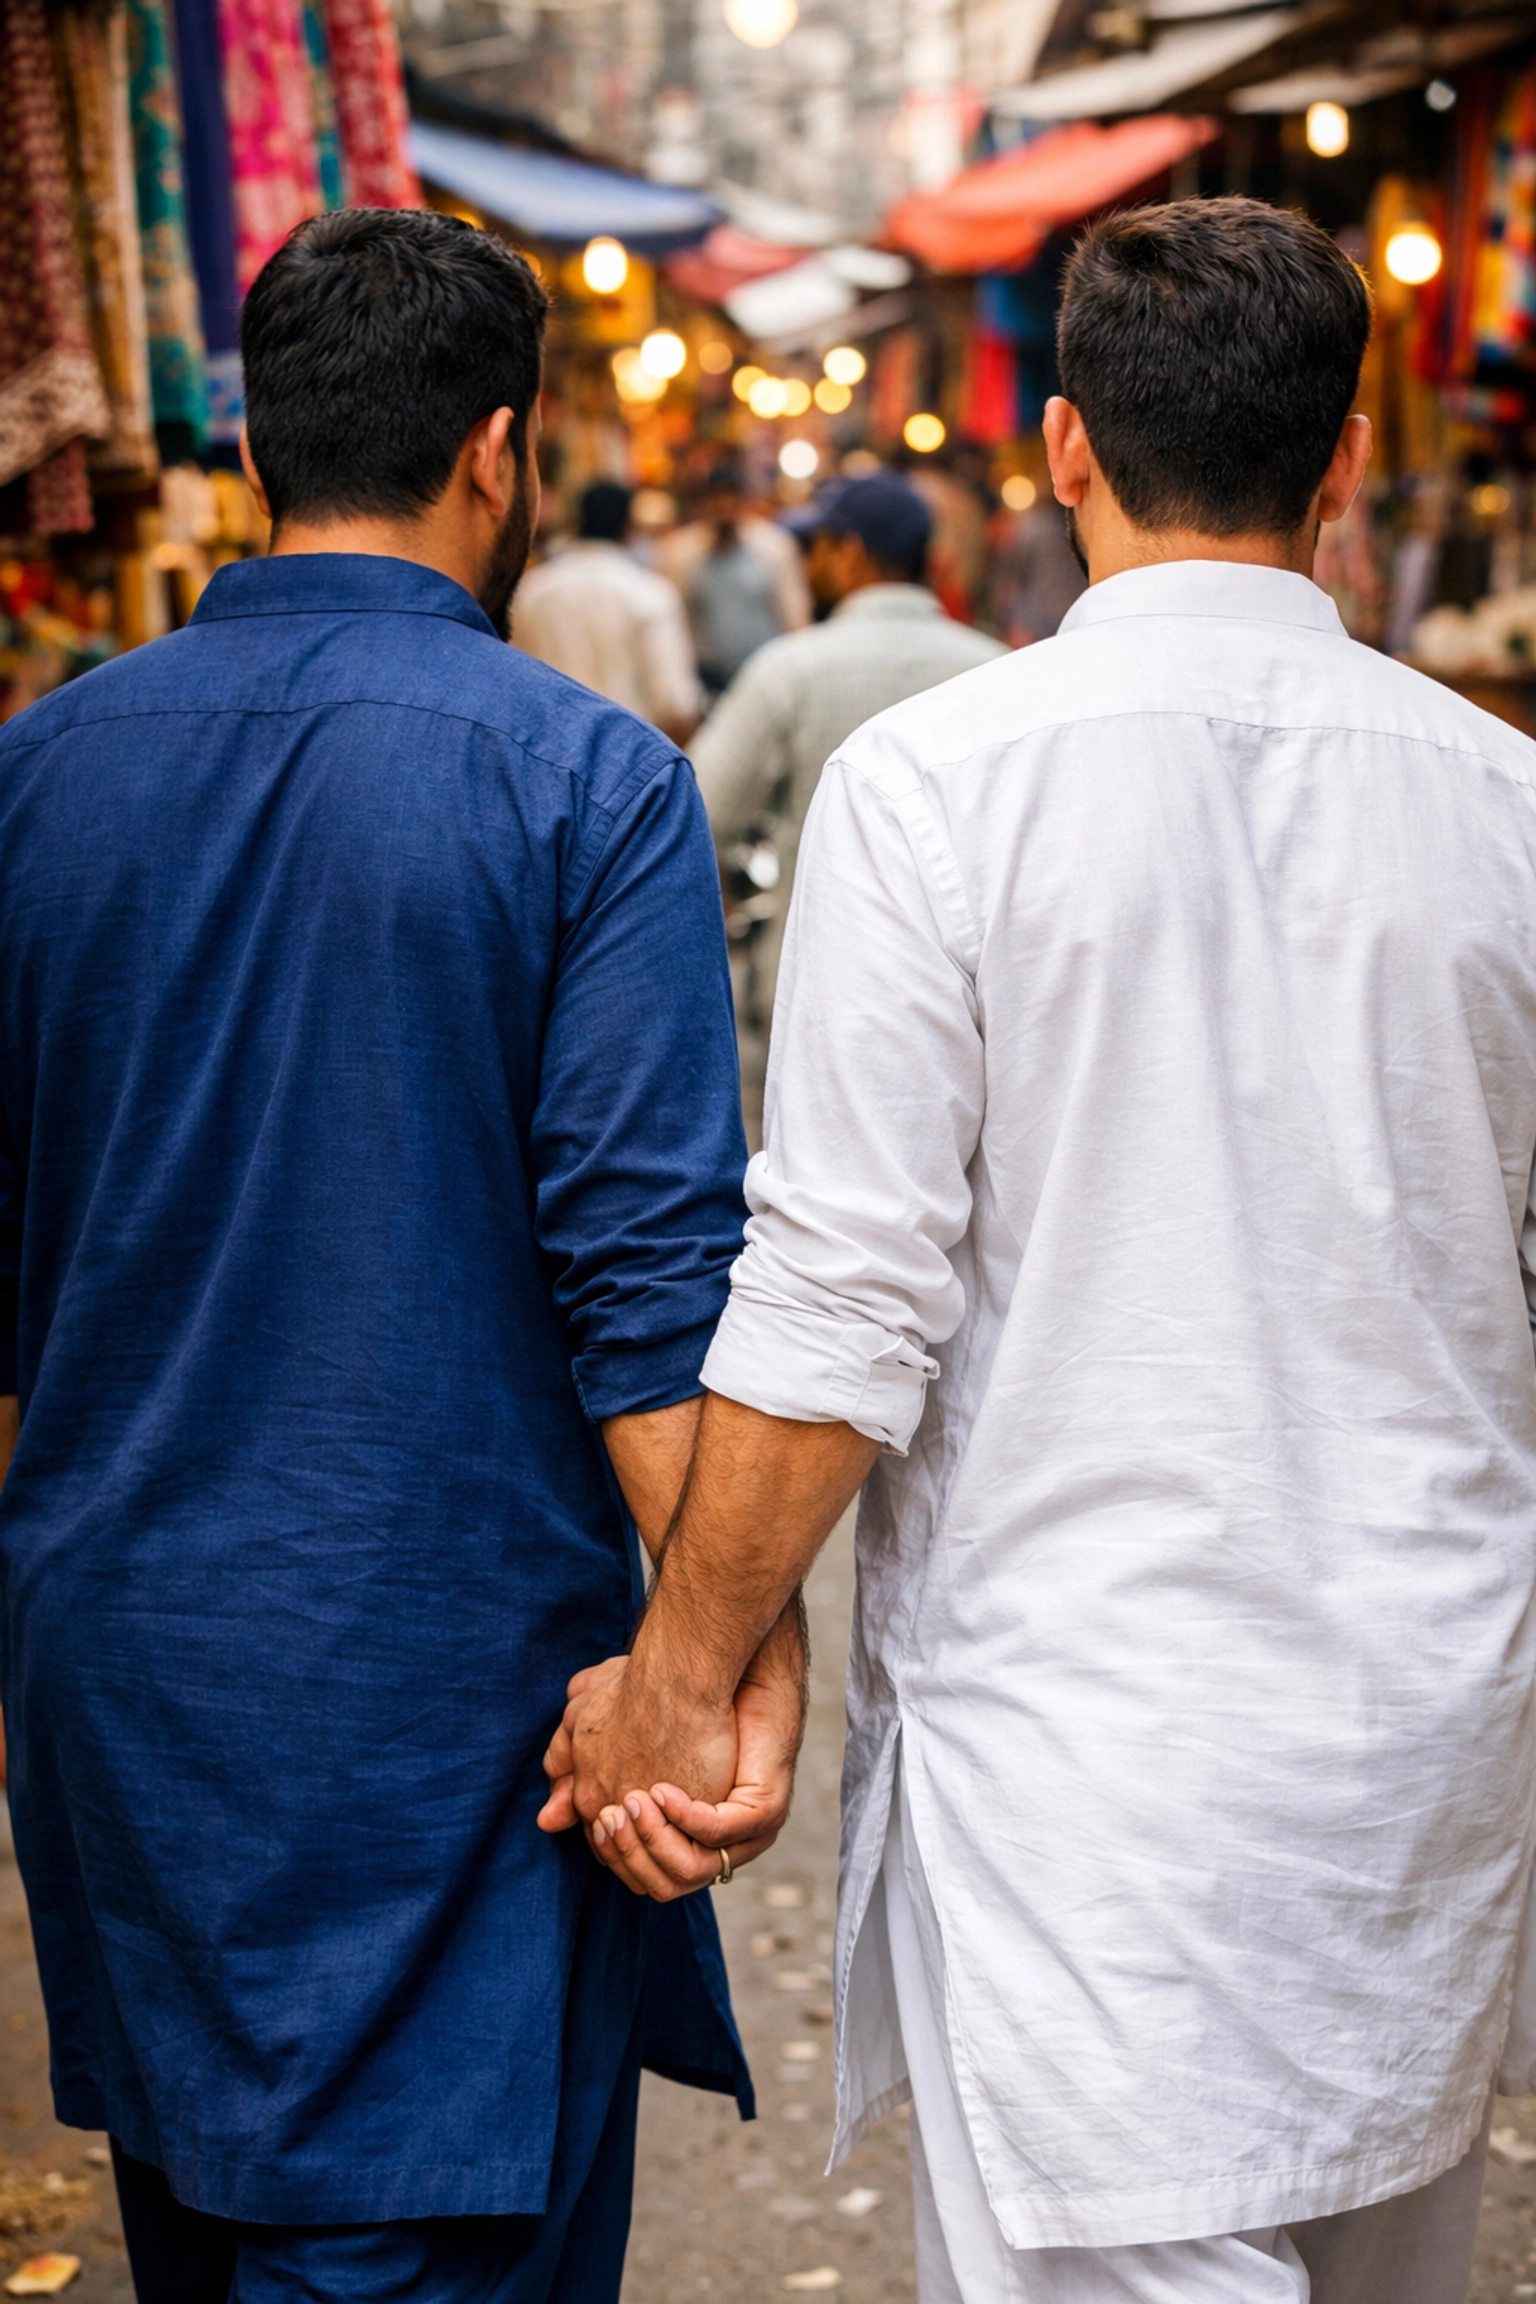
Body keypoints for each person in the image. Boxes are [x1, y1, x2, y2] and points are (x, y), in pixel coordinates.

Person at [545, 198, 1536, 2304]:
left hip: (1096, 1755)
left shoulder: (937, 791)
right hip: (1428, 1730)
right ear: (1345, 468)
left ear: (1063, 449)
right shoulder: (1500, 801)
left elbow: (839, 1300)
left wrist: (686, 1674)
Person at [0, 206, 801, 2304]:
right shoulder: (586, 784)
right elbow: (647, 1299)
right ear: (502, 456)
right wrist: (724, 1660)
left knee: (204, 2227)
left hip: (127, 1691)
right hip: (442, 1710)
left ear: (256, 457)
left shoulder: (37, 772)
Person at [692, 471, 1005, 1039]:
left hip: (817, 991)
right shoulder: (996, 669)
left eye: (819, 547)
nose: (810, 563)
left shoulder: (789, 672)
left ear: (850, 553)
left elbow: (698, 816)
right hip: (973, 1003)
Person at [513, 478, 704, 743]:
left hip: (547, 752)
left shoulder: (532, 591)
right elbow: (674, 702)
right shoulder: (648, 594)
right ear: (627, 528)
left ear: (578, 523)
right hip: (629, 756)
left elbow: (515, 682)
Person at [656, 463, 809, 694]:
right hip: (709, 679)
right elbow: (674, 625)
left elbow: (796, 615)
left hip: (767, 673)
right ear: (702, 502)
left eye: (731, 495)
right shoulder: (680, 555)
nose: (723, 504)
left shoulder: (773, 547)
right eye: (715, 496)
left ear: (743, 499)